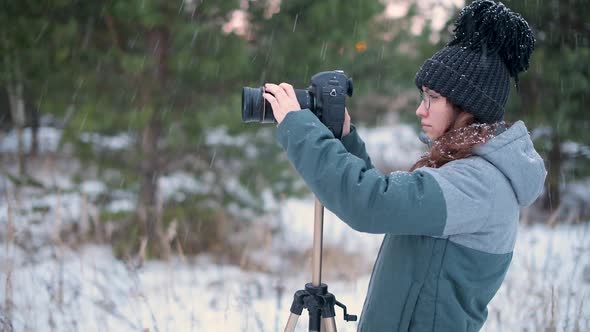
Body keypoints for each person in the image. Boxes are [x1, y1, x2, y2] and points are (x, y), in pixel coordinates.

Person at [262, 0, 547, 330]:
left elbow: (370, 204)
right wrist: (342, 139)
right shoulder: (466, 170)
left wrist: (299, 126)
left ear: (468, 106)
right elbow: (389, 204)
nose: (420, 110)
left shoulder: (477, 183)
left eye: (432, 98)